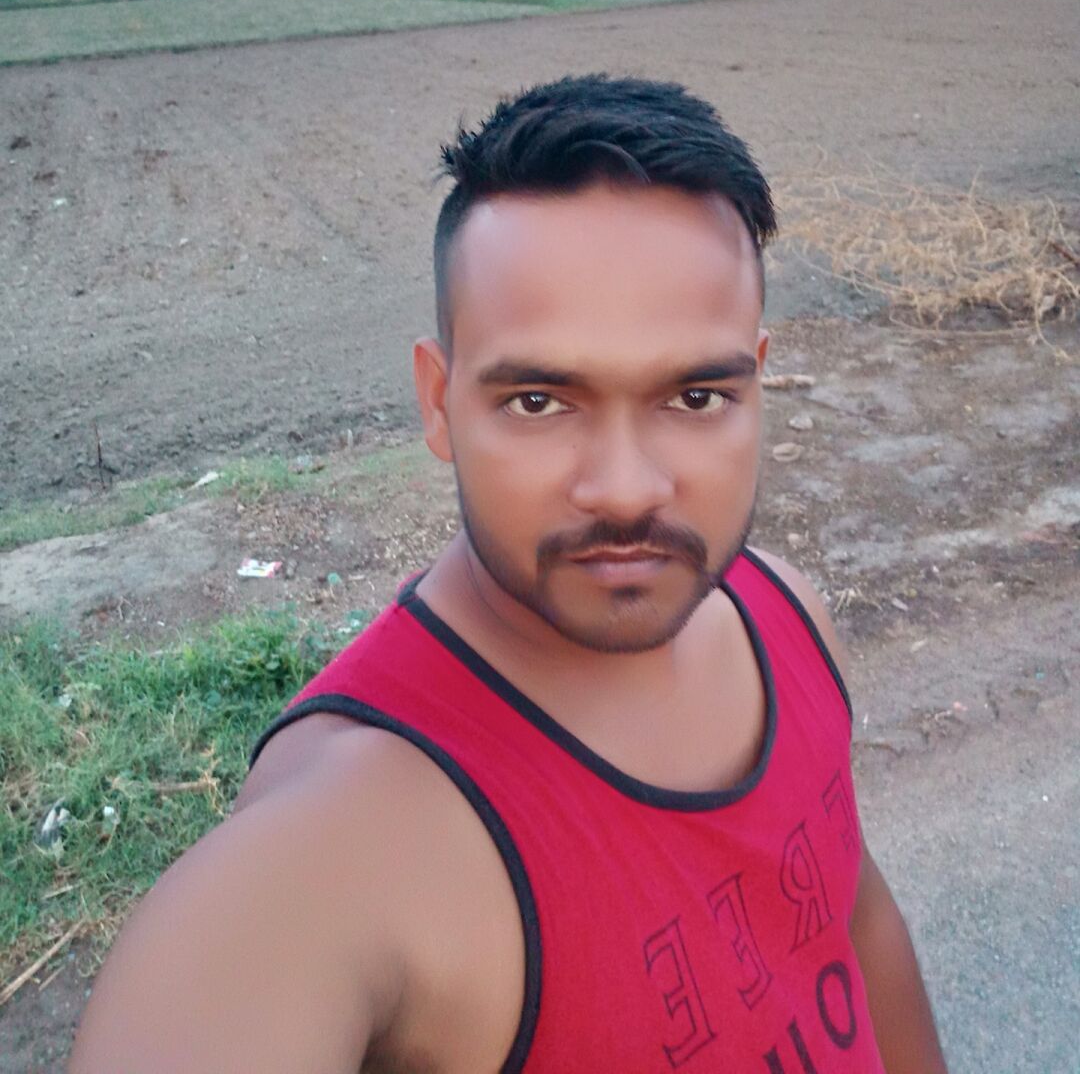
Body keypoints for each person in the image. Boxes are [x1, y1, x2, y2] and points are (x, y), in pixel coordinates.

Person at [71, 75, 947, 1073]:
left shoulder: (789, 620)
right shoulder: (349, 844)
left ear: (757, 379)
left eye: (696, 396)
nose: (626, 488)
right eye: (539, 402)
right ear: (438, 404)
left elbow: (853, 926)